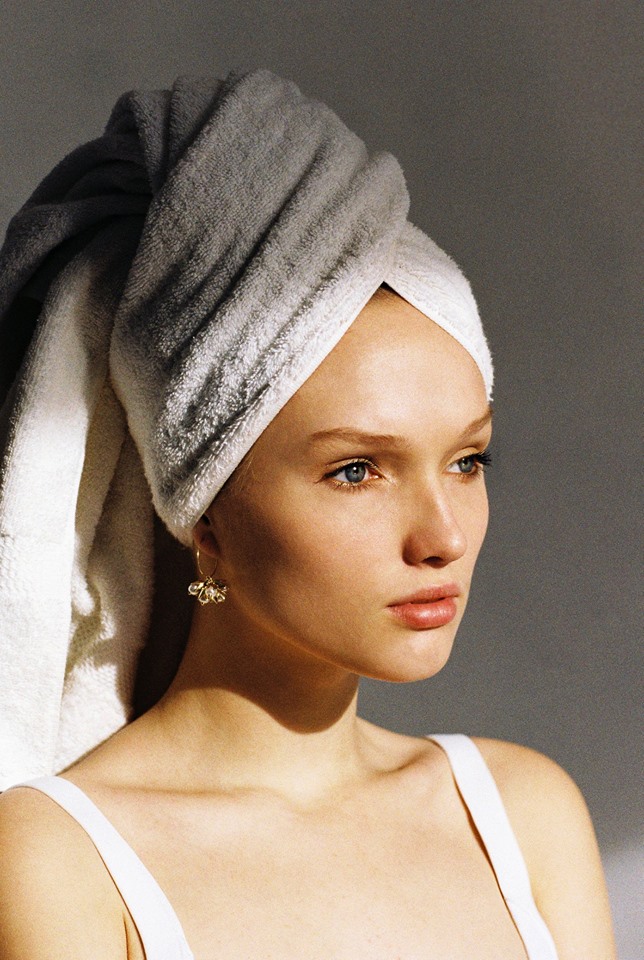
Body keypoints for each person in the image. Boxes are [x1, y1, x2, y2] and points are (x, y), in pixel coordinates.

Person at [0, 70, 615, 959]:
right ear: (204, 516)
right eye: (357, 470)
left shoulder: (522, 816)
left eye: (467, 460)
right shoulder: (58, 860)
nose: (443, 537)